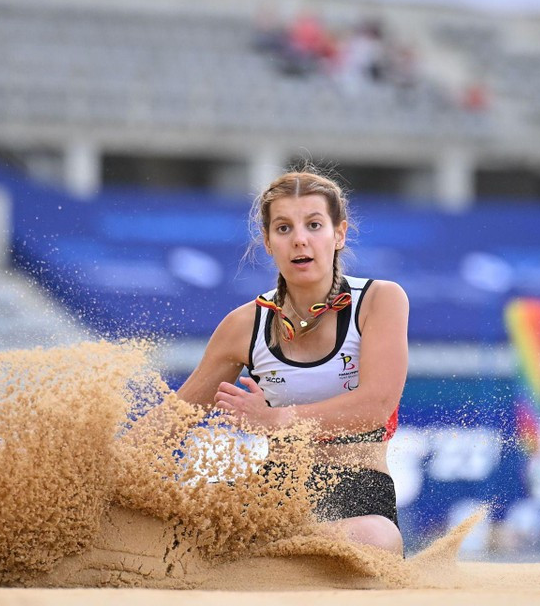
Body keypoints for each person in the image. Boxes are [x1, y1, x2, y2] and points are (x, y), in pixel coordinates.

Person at [174, 169, 408, 556]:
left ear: (339, 234)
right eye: (283, 228)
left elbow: (375, 408)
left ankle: (255, 555)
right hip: (274, 491)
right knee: (183, 519)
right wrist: (107, 463)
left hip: (359, 487)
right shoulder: (243, 324)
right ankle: (260, 551)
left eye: (314, 224)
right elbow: (175, 419)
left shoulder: (380, 300)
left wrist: (275, 420)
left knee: (379, 540)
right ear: (268, 242)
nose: (300, 238)